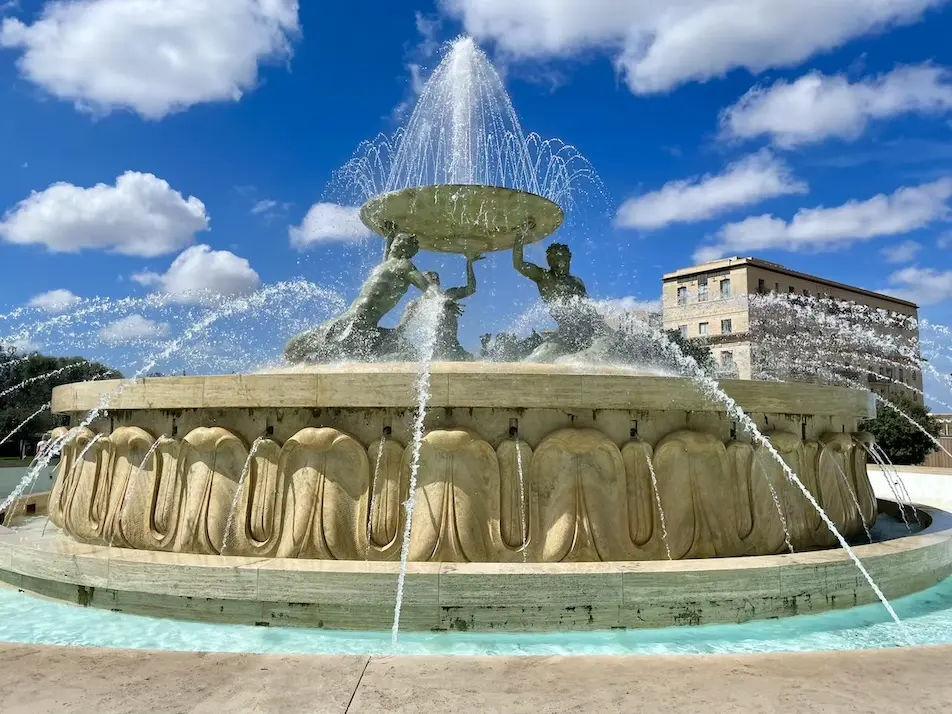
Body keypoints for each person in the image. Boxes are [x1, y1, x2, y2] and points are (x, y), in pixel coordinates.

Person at [285, 230, 430, 363]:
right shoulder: (388, 265)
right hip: (350, 319)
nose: (397, 242)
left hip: (359, 323)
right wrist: (389, 237)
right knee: (294, 348)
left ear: (407, 249)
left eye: (402, 241)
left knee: (298, 348)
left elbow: (428, 288)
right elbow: (387, 260)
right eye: (397, 239)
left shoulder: (405, 266)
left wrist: (439, 298)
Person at [512, 225, 605, 361]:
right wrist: (520, 235)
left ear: (570, 259)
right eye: (555, 260)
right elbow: (518, 264)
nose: (560, 263)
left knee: (578, 360)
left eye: (564, 259)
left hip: (589, 334)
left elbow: (589, 311)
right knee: (535, 360)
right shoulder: (544, 277)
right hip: (565, 335)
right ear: (549, 262)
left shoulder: (577, 282)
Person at [398, 254, 484, 361]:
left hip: (454, 349)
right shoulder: (415, 304)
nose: (435, 279)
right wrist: (405, 348)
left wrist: (469, 264)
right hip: (430, 353)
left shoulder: (449, 295)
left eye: (435, 278)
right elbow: (400, 329)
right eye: (429, 278)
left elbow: (471, 289)